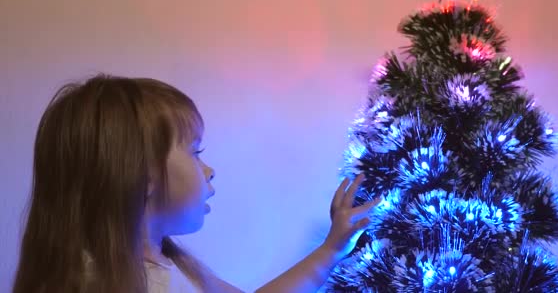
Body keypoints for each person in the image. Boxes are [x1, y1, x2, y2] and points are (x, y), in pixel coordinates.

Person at [12, 74, 381, 293]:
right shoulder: (91, 282)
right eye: (194, 151)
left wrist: (332, 248)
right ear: (143, 176)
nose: (208, 170)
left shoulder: (174, 267)